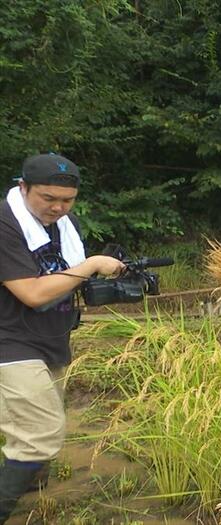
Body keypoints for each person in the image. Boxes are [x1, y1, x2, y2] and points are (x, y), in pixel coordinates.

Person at [0, 153, 125, 523]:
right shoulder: (5, 224)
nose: (58, 207)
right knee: (40, 433)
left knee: (31, 434)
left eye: (66, 200)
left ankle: (34, 503)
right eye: (47, 198)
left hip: (50, 339)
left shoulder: (64, 226)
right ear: (23, 188)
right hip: (10, 341)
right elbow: (34, 293)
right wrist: (90, 266)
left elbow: (66, 280)